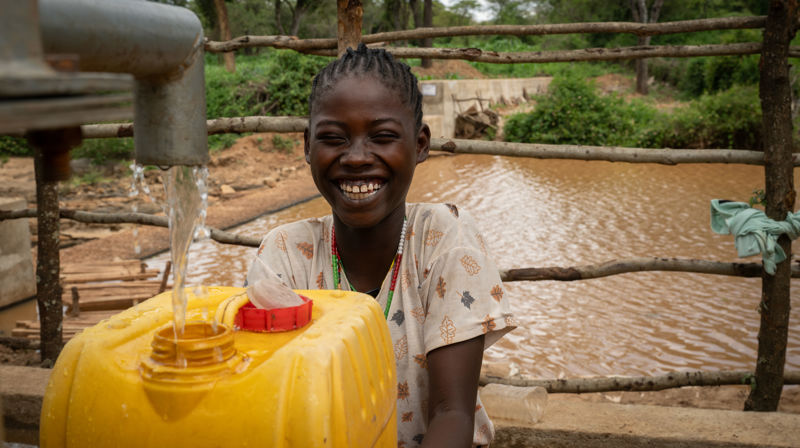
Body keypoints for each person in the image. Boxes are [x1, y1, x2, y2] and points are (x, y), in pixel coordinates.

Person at [247, 44, 515, 447]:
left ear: (420, 144)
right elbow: (270, 406)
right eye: (334, 138)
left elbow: (451, 413)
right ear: (307, 146)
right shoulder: (284, 254)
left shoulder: (445, 239)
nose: (356, 158)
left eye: (383, 137)